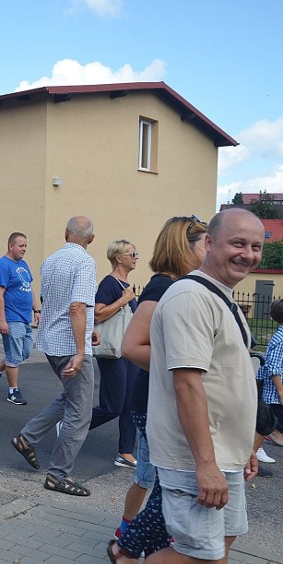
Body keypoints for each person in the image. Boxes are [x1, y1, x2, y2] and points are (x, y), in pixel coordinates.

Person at [145, 209, 262, 563]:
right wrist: (206, 464)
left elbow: (225, 379)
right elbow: (187, 385)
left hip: (225, 452)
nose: (248, 254)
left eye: (256, 246)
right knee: (201, 556)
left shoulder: (221, 296)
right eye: (238, 243)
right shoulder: (191, 298)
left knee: (222, 542)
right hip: (193, 457)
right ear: (209, 243)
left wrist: (245, 448)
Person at [107, 216, 207, 562]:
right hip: (153, 401)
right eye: (204, 244)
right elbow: (132, 346)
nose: (210, 251)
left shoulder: (186, 284)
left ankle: (134, 540)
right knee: (160, 480)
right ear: (185, 247)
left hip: (164, 399)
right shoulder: (163, 286)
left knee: (161, 481)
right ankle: (128, 541)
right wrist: (187, 363)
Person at [11, 216, 99, 496]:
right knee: (79, 411)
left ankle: (27, 437)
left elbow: (54, 302)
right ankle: (58, 475)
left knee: (69, 397)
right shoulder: (85, 262)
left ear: (65, 234)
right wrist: (82, 348)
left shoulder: (50, 260)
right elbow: (76, 307)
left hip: (51, 341)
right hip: (72, 347)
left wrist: (90, 331)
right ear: (91, 239)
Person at [90, 240, 139, 468]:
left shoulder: (125, 284)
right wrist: (123, 301)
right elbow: (97, 315)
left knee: (131, 403)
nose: (136, 257)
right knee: (113, 405)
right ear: (119, 258)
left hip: (128, 352)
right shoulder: (110, 284)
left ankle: (126, 452)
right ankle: (72, 424)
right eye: (132, 253)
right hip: (112, 352)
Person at [0, 232, 41, 406]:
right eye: (21, 246)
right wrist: (2, 320)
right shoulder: (2, 265)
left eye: (26, 246)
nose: (24, 249)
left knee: (24, 353)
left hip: (24, 318)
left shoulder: (23, 265)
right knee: (15, 356)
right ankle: (13, 391)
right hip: (11, 317)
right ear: (11, 246)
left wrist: (37, 309)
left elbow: (28, 288)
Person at [259, 300, 283, 444]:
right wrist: (281, 391)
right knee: (273, 419)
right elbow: (273, 367)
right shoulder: (281, 340)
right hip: (274, 394)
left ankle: (273, 431)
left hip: (277, 392)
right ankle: (271, 431)